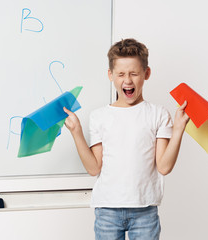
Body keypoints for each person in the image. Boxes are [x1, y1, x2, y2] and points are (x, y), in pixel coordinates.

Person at [63, 38, 189, 240]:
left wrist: (179, 130)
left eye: (134, 73)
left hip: (145, 211)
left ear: (146, 74)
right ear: (110, 75)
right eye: (121, 74)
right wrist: (76, 132)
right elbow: (94, 168)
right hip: (107, 211)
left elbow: (164, 167)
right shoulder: (99, 117)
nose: (127, 80)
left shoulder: (158, 114)